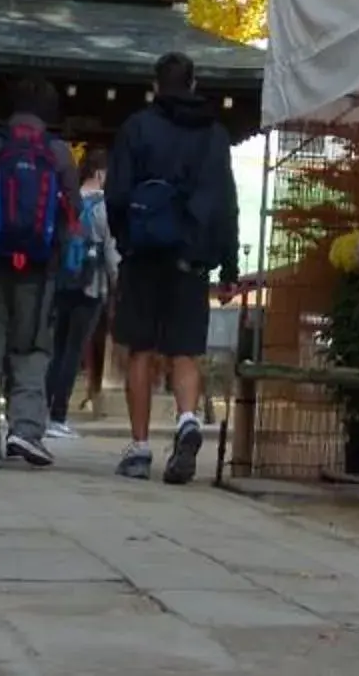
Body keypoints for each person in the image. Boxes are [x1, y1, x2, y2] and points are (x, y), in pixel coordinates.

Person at [105, 52, 237, 484]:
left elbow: (116, 194)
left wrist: (126, 240)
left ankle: (140, 448)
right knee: (184, 350)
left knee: (139, 349)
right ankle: (186, 420)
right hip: (192, 256)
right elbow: (226, 202)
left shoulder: (137, 127)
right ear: (194, 83)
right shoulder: (215, 135)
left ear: (155, 84)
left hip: (144, 252)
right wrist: (229, 265)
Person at [0, 73, 82, 469]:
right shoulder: (58, 152)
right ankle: (26, 431)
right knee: (32, 350)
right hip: (39, 270)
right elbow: (73, 212)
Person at [44, 156, 115, 438]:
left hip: (63, 281)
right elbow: (111, 249)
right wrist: (117, 282)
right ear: (99, 172)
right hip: (91, 284)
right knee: (74, 351)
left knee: (57, 348)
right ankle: (58, 415)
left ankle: (42, 410)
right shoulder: (103, 207)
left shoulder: (66, 202)